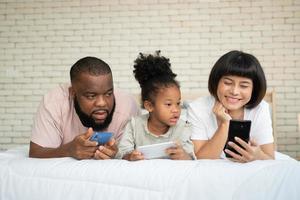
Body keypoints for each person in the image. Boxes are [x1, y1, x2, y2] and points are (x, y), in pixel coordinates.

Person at [29, 56, 140, 160]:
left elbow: (134, 153)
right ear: (73, 93)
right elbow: (36, 152)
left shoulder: (127, 105)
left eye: (108, 94)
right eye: (91, 96)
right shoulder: (53, 104)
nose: (102, 103)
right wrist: (69, 150)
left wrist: (117, 155)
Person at [187, 50, 274, 162]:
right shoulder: (197, 108)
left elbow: (270, 159)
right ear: (216, 82)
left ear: (254, 89)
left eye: (243, 85)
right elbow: (200, 158)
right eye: (227, 83)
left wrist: (258, 156)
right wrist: (224, 124)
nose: (234, 91)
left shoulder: (261, 109)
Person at [116, 51, 195, 161]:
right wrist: (130, 156)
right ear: (149, 106)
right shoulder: (134, 125)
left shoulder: (183, 128)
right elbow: (122, 153)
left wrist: (184, 156)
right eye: (168, 104)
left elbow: (192, 157)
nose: (176, 110)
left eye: (178, 103)